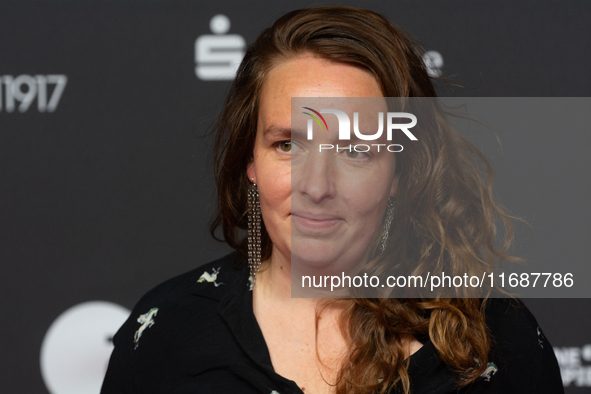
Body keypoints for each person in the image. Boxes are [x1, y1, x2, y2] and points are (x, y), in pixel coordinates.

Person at [101, 6, 563, 394]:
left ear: (400, 170)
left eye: (355, 150)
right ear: (251, 162)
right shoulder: (165, 335)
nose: (317, 186)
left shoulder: (500, 341)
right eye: (288, 145)